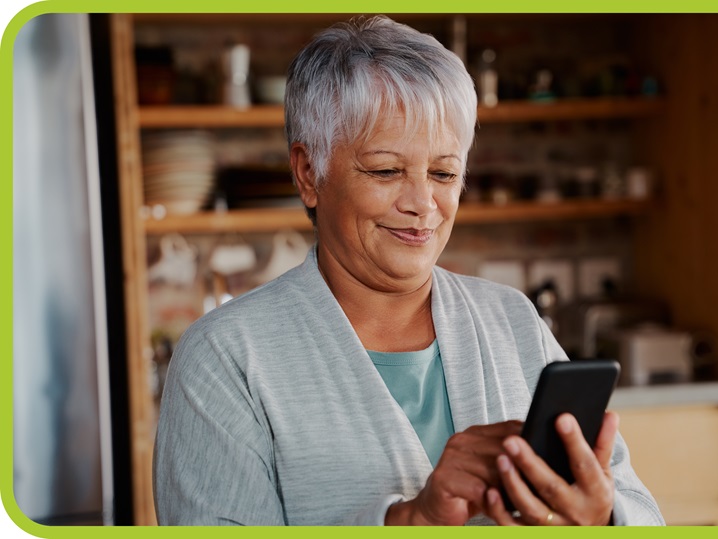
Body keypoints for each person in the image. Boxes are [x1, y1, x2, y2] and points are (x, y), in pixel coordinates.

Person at [153, 15, 664, 526]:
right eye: (386, 170)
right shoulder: (225, 360)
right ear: (309, 173)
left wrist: (602, 519)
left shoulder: (513, 321)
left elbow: (641, 513)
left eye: (444, 172)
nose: (423, 203)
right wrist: (411, 520)